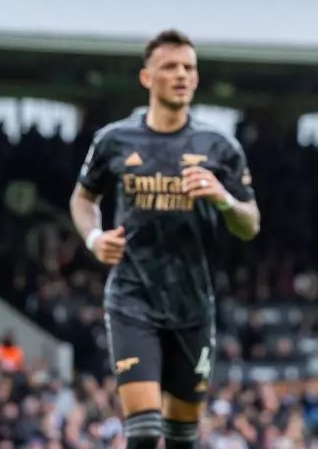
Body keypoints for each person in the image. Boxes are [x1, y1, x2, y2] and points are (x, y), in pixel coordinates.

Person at [70, 29, 260, 449]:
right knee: (143, 433)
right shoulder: (114, 140)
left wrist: (223, 198)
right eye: (170, 67)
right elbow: (83, 199)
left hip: (193, 305)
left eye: (189, 68)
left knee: (181, 437)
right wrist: (94, 238)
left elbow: (250, 223)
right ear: (146, 78)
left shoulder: (219, 146)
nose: (181, 75)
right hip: (133, 299)